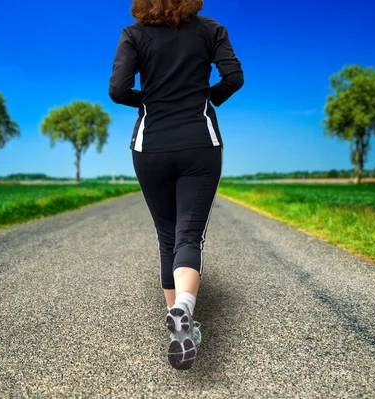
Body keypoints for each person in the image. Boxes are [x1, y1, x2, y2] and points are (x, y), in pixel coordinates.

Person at [108, 0, 243, 370]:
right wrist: (205, 98)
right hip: (200, 141)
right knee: (189, 235)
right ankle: (185, 307)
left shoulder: (133, 35)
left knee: (167, 236)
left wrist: (148, 101)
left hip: (150, 144)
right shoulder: (210, 28)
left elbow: (118, 90)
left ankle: (177, 325)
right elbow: (234, 77)